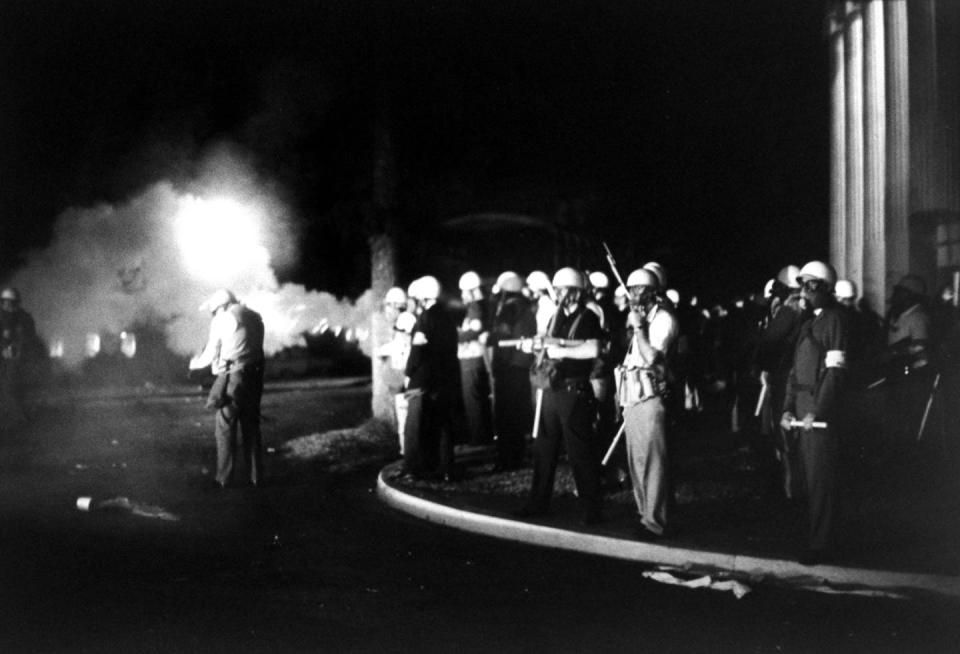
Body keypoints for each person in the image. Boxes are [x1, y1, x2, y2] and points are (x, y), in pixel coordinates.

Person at [516, 267, 604, 525]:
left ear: (577, 291)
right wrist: (536, 344)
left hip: (573, 390)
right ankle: (537, 502)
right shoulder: (556, 316)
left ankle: (592, 509)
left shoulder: (589, 315)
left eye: (565, 289)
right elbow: (547, 339)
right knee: (543, 449)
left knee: (580, 452)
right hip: (552, 388)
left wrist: (561, 350)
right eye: (559, 289)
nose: (561, 294)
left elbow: (593, 348)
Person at [779, 261, 849, 564]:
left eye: (807, 285)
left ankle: (822, 544)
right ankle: (813, 537)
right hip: (802, 407)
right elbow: (795, 372)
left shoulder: (833, 320)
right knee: (806, 480)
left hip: (817, 410)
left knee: (821, 481)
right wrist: (786, 408)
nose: (802, 292)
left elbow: (834, 373)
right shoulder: (808, 323)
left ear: (820, 287)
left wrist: (817, 411)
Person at [617, 268, 679, 540]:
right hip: (632, 396)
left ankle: (656, 521)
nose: (633, 296)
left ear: (654, 293)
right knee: (637, 461)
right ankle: (645, 515)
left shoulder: (663, 320)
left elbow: (652, 356)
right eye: (631, 290)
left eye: (639, 290)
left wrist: (639, 327)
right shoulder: (640, 319)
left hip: (650, 396)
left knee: (653, 462)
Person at [189, 289, 266, 488]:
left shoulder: (223, 319)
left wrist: (194, 364)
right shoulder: (255, 316)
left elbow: (210, 352)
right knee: (251, 426)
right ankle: (256, 477)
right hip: (256, 375)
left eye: (214, 310)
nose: (214, 314)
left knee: (225, 424)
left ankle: (223, 478)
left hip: (235, 375)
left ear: (222, 306)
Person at [755, 265, 806, 498]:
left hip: (784, 374)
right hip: (798, 374)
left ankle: (790, 490)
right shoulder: (804, 307)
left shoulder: (788, 310)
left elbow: (769, 340)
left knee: (783, 434)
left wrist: (762, 364)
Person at [403, 275, 461, 481]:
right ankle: (447, 468)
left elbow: (417, 351)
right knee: (444, 425)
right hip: (446, 378)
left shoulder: (424, 319)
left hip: (424, 380)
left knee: (414, 426)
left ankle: (413, 469)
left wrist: (409, 372)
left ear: (423, 297)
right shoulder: (448, 318)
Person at [488, 271, 537, 470]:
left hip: (508, 368)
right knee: (517, 415)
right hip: (522, 367)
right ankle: (516, 455)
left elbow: (500, 336)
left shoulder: (509, 309)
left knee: (505, 416)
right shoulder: (527, 308)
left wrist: (490, 340)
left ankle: (506, 459)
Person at [457, 271, 493, 446]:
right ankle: (484, 434)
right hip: (477, 358)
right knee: (480, 398)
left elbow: (475, 329)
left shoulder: (474, 307)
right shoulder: (483, 305)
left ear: (470, 291)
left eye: (463, 291)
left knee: (473, 400)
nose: (462, 295)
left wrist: (456, 335)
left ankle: (479, 438)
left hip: (471, 358)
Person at [0, 287, 42, 430]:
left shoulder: (24, 318)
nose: (7, 305)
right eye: (5, 302)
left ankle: (19, 419)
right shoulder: (2, 316)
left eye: (10, 302)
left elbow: (28, 338)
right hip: (4, 358)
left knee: (11, 387)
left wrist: (16, 348)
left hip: (19, 360)